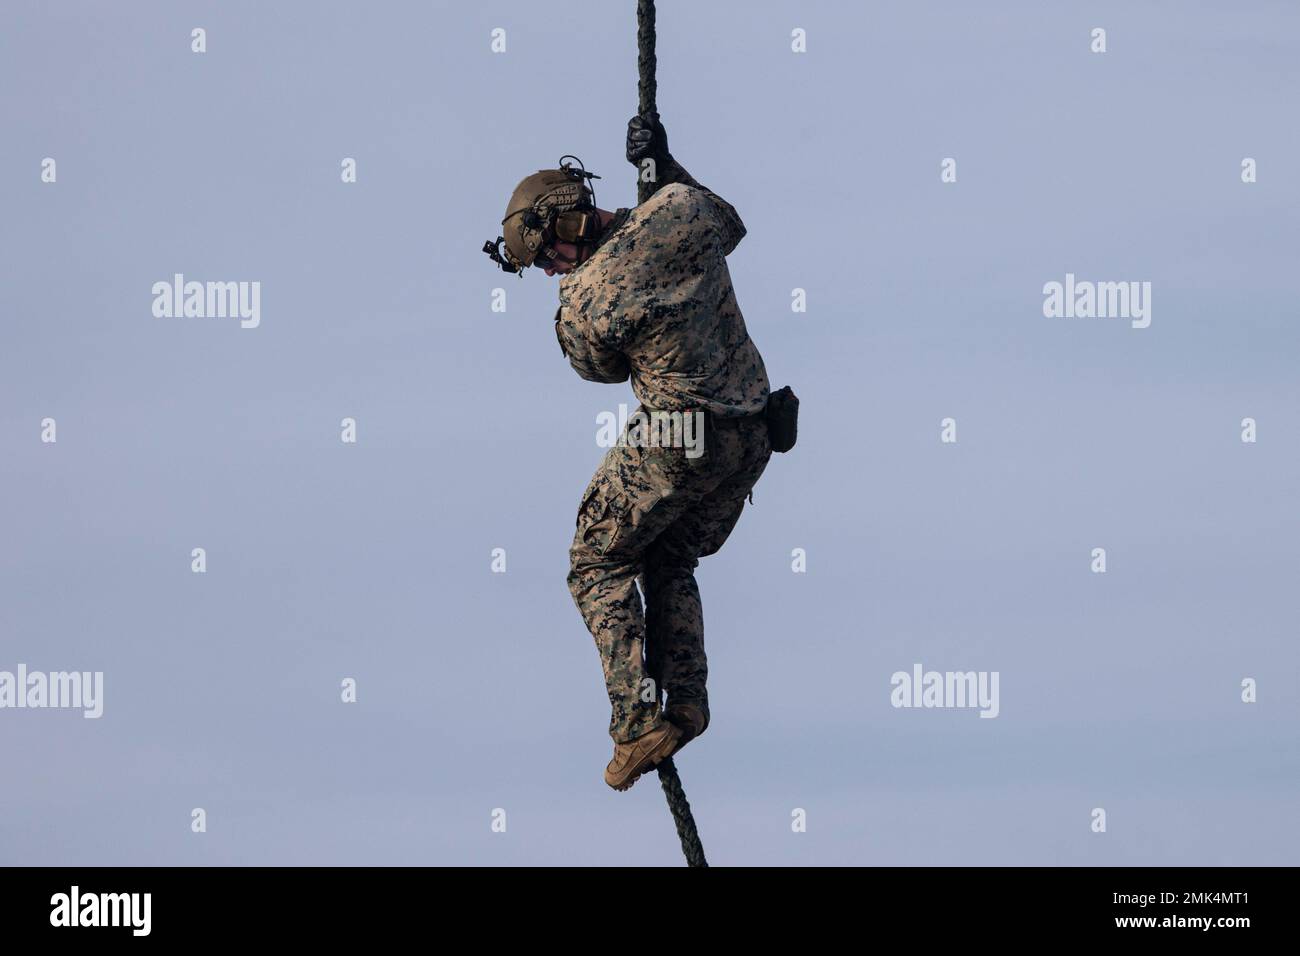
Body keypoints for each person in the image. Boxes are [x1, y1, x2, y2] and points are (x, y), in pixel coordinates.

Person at [485, 113, 772, 791]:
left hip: (681, 433)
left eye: (546, 256)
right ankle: (687, 702)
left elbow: (598, 368)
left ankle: (637, 722)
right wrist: (665, 169)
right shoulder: (678, 212)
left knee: (596, 559)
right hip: (753, 433)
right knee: (669, 553)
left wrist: (581, 286)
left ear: (564, 225)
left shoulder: (583, 298)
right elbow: (727, 222)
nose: (552, 271)